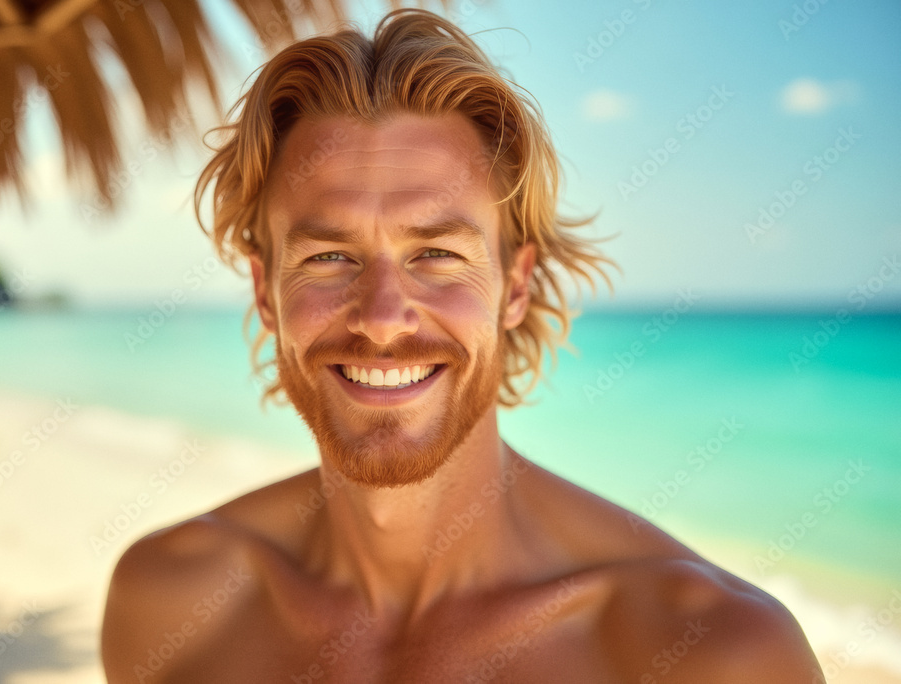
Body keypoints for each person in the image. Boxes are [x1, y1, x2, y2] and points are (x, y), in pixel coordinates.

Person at [102, 9, 823, 683]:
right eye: (329, 258)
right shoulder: (171, 603)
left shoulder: (712, 654)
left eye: (437, 254)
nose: (382, 320)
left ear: (515, 286)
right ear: (266, 293)